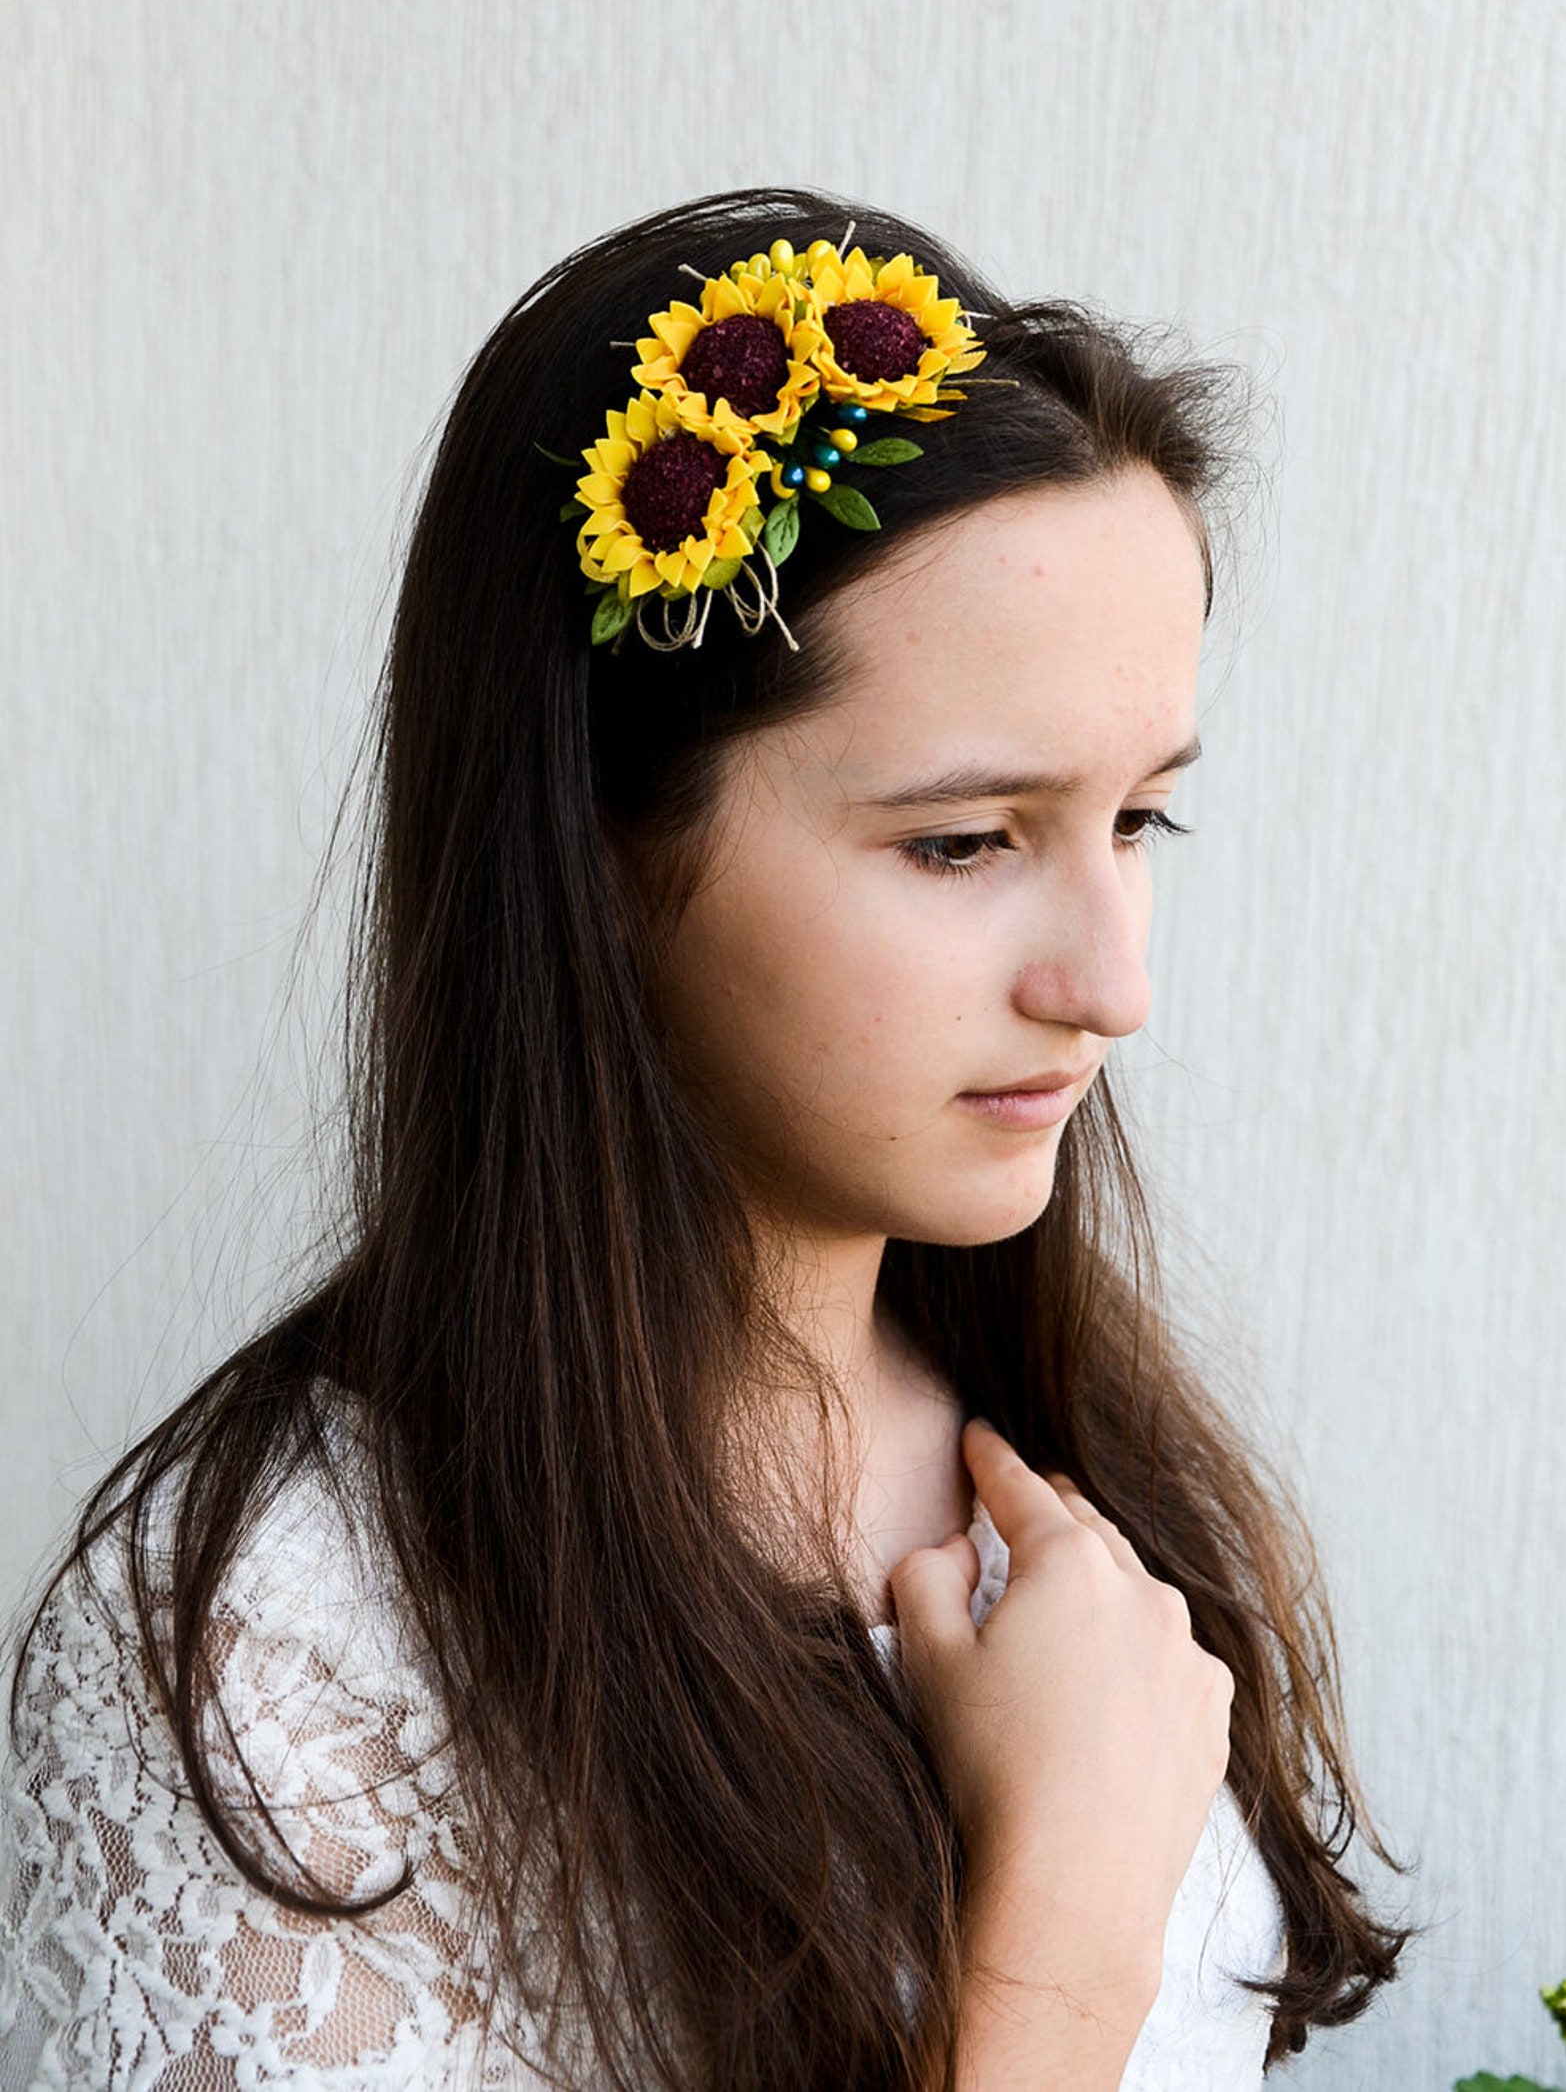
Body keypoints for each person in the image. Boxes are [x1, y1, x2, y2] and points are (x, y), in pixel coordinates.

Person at [0, 190, 1413, 2090]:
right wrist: (1056, 1959)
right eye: (963, 840)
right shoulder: (265, 1674)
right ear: (597, 850)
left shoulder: (1089, 1470)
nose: (1111, 983)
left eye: (1140, 821)